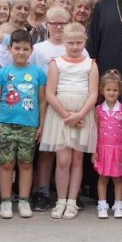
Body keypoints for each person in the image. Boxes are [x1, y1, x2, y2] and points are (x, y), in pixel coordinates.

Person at [27, 7, 88, 211]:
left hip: (75, 106)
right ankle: (42, 191)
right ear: (47, 25)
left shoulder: (79, 48)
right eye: (54, 23)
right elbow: (33, 75)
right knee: (47, 151)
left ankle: (72, 194)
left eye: (63, 23)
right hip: (48, 104)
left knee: (72, 153)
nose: (59, 27)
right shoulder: (40, 49)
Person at [40, 23, 99, 219]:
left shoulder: (91, 64)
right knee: (63, 159)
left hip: (82, 112)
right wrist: (67, 116)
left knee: (76, 159)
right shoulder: (56, 63)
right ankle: (61, 200)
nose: (75, 47)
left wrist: (80, 114)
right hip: (60, 114)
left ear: (85, 41)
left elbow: (93, 93)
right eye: (71, 43)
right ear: (64, 42)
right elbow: (49, 93)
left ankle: (72, 201)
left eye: (79, 43)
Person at [0, 29, 46, 219]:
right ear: (10, 48)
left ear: (31, 50)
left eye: (25, 48)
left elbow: (42, 101)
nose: (21, 52)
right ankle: (5, 201)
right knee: (6, 163)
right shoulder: (3, 73)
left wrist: (41, 125)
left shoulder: (38, 73)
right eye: (17, 48)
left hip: (29, 126)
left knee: (26, 163)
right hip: (5, 124)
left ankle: (23, 200)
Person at [93, 70, 122, 219]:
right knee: (103, 178)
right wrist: (93, 151)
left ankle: (118, 205)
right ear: (102, 90)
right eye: (108, 89)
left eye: (115, 90)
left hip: (119, 150)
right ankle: (102, 205)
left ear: (120, 91)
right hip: (102, 150)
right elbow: (94, 131)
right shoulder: (98, 109)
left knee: (117, 178)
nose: (111, 93)